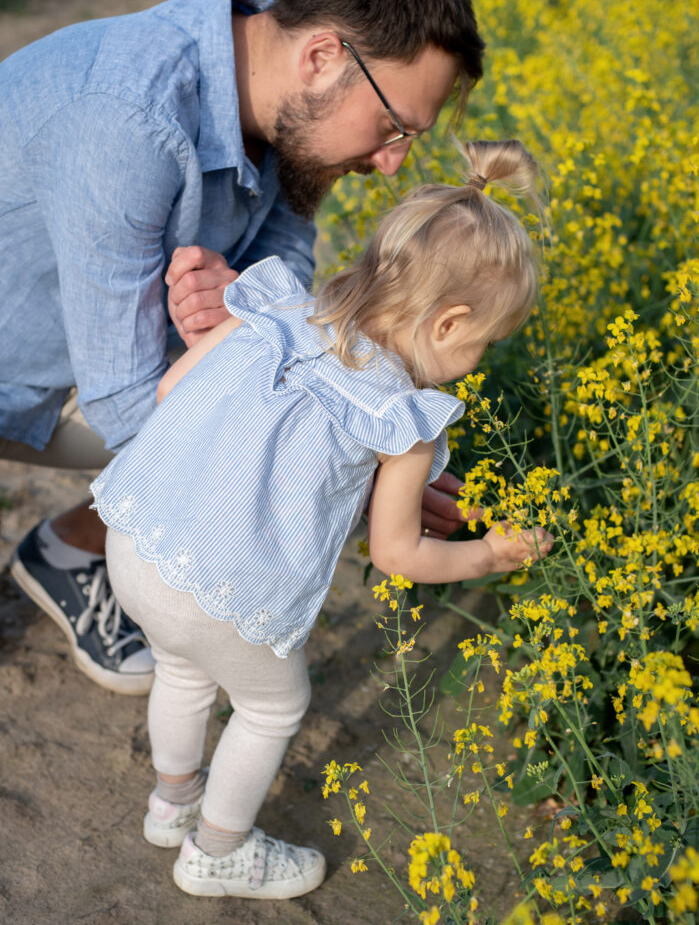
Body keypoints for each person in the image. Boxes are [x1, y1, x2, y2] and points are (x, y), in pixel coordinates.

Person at [0, 0, 486, 694]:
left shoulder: (275, 61)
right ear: (323, 55)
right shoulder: (128, 121)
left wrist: (242, 314)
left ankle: (67, 549)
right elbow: (127, 407)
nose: (390, 162)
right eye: (393, 127)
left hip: (88, 346)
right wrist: (358, 472)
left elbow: (285, 259)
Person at [89, 140, 553, 899]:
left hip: (137, 537)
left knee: (179, 666)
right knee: (274, 706)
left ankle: (171, 802)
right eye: (483, 345)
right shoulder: (404, 418)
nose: (477, 360)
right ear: (447, 324)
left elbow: (173, 392)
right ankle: (218, 851)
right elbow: (399, 554)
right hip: (224, 593)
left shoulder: (276, 310)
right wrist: (489, 558)